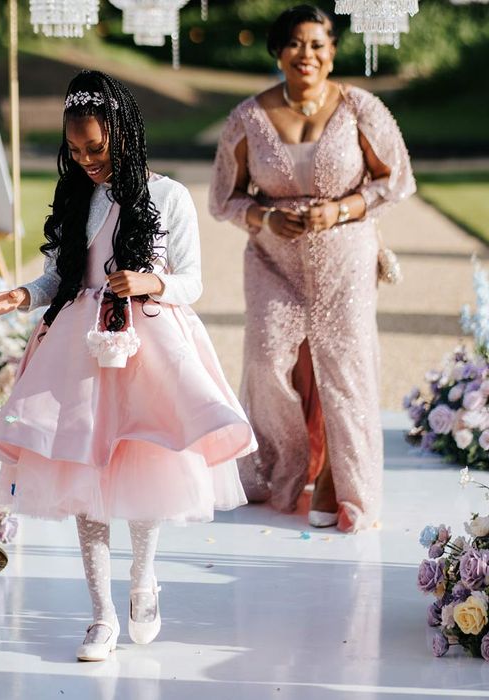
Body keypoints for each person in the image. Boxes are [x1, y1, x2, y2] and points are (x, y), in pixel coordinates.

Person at [0, 70, 256, 661]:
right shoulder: (77, 197)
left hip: (148, 342)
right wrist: (22, 295)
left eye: (95, 148)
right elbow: (58, 276)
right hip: (82, 346)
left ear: (123, 134)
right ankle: (100, 614)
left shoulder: (169, 196)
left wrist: (149, 279)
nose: (86, 161)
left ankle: (143, 579)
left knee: (143, 462)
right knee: (86, 474)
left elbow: (194, 282)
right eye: (75, 151)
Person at [209, 4, 415, 533]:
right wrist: (265, 217)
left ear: (332, 53)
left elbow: (395, 180)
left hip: (344, 253)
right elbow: (222, 199)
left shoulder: (359, 107)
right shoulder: (247, 118)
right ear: (278, 51)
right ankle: (288, 464)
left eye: (318, 44)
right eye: (296, 44)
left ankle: (340, 480)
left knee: (345, 366)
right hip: (273, 259)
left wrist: (340, 210)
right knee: (264, 359)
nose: (307, 54)